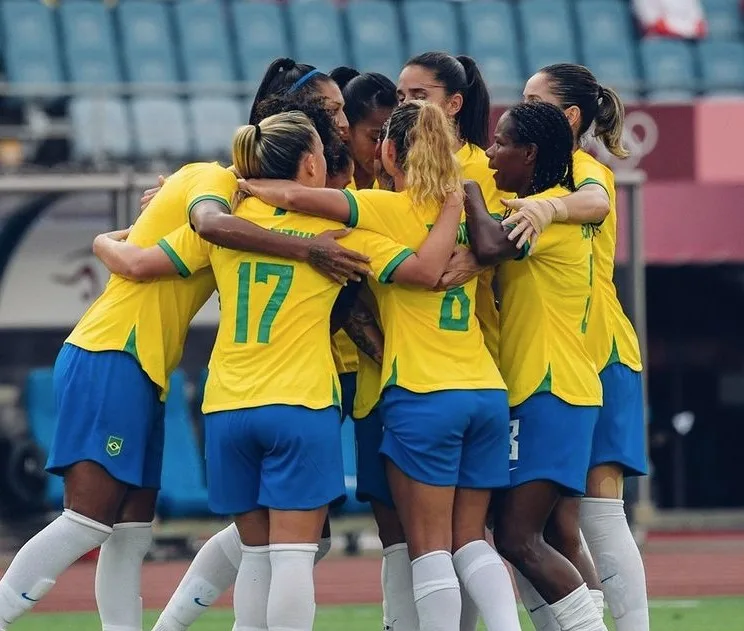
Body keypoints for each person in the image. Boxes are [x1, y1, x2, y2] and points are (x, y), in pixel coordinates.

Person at [92, 108, 466, 631]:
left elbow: (137, 262)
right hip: (300, 404)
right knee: (293, 558)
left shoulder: (225, 229)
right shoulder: (338, 232)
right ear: (312, 165)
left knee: (255, 556)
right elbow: (425, 270)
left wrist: (104, 239)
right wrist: (457, 215)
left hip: (227, 407)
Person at [0, 106, 369, 631]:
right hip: (114, 353)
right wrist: (309, 250)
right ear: (307, 164)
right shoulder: (214, 187)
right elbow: (180, 237)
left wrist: (110, 237)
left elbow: (143, 250)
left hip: (149, 367)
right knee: (86, 522)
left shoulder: (234, 218)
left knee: (130, 533)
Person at [242, 100, 521, 631]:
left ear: (390, 151)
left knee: (429, 548)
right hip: (485, 389)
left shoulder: (381, 208)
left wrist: (246, 185)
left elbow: (300, 195)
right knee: (471, 542)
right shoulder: (466, 206)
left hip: (423, 392)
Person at [509, 64, 649, 631]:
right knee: (543, 526)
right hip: (556, 361)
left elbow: (595, 201)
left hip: (600, 354)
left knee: (599, 513)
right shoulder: (525, 174)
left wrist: (549, 208)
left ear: (569, 117)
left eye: (533, 100)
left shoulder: (584, 171)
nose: (520, 108)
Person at [466, 100, 607, 631]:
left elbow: (487, 243)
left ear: (529, 153)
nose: (492, 151)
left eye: (501, 143)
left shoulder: (546, 211)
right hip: (558, 390)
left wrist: (472, 192)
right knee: (552, 537)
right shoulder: (551, 205)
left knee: (518, 538)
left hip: (549, 389)